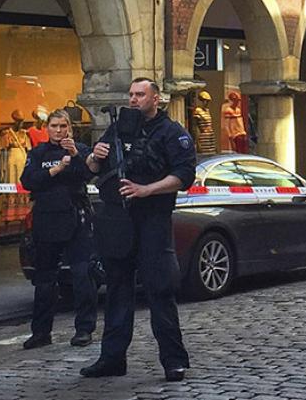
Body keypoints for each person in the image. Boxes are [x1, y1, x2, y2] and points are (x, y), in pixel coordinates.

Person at [80, 78, 196, 382]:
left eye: (140, 94)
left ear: (155, 99)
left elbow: (184, 175)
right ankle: (111, 359)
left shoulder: (172, 132)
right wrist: (95, 157)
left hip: (153, 219)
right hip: (118, 220)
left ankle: (173, 361)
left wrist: (147, 190)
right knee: (117, 289)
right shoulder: (118, 128)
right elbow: (91, 169)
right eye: (131, 94)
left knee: (160, 289)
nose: (133, 99)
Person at [19, 109, 97, 350]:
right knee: (44, 279)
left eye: (63, 126)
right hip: (47, 220)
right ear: (47, 128)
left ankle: (84, 329)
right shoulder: (38, 152)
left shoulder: (80, 150)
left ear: (69, 128)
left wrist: (74, 155)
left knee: (83, 275)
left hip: (75, 218)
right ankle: (41, 332)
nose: (59, 130)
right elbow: (28, 180)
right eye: (54, 126)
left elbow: (89, 173)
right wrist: (55, 170)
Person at [191, 90, 217, 155]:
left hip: (210, 136)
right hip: (203, 137)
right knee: (205, 156)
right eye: (204, 101)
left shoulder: (207, 111)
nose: (206, 103)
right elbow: (194, 128)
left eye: (208, 101)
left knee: (212, 155)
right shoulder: (198, 111)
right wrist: (197, 142)